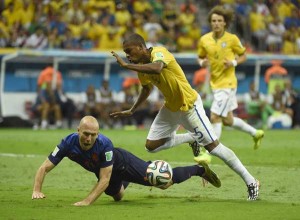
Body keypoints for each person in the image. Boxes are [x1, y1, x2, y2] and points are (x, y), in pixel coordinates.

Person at [110, 33, 260, 200]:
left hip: (189, 105)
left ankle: (251, 181)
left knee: (214, 148)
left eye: (129, 51)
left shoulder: (159, 52)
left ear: (140, 47)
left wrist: (126, 66)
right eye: (125, 53)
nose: (128, 56)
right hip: (171, 107)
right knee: (151, 146)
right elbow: (146, 89)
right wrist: (132, 109)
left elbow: (158, 67)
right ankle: (191, 138)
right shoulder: (141, 67)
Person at [31, 116, 221, 206]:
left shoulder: (104, 145)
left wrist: (87, 201)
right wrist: (36, 190)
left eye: (93, 135)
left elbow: (104, 179)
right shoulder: (67, 143)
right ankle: (143, 168)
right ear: (78, 130)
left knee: (163, 182)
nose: (89, 138)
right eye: (86, 134)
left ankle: (199, 170)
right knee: (118, 196)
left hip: (121, 163)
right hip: (108, 171)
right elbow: (44, 167)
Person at [197, 6, 264, 156]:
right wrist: (202, 63)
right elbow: (200, 57)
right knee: (228, 120)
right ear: (210, 22)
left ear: (225, 23)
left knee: (215, 116)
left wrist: (233, 62)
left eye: (219, 21)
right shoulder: (204, 40)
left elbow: (243, 55)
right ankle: (256, 133)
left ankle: (208, 153)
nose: (216, 23)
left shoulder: (232, 39)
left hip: (228, 84)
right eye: (214, 21)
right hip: (215, 84)